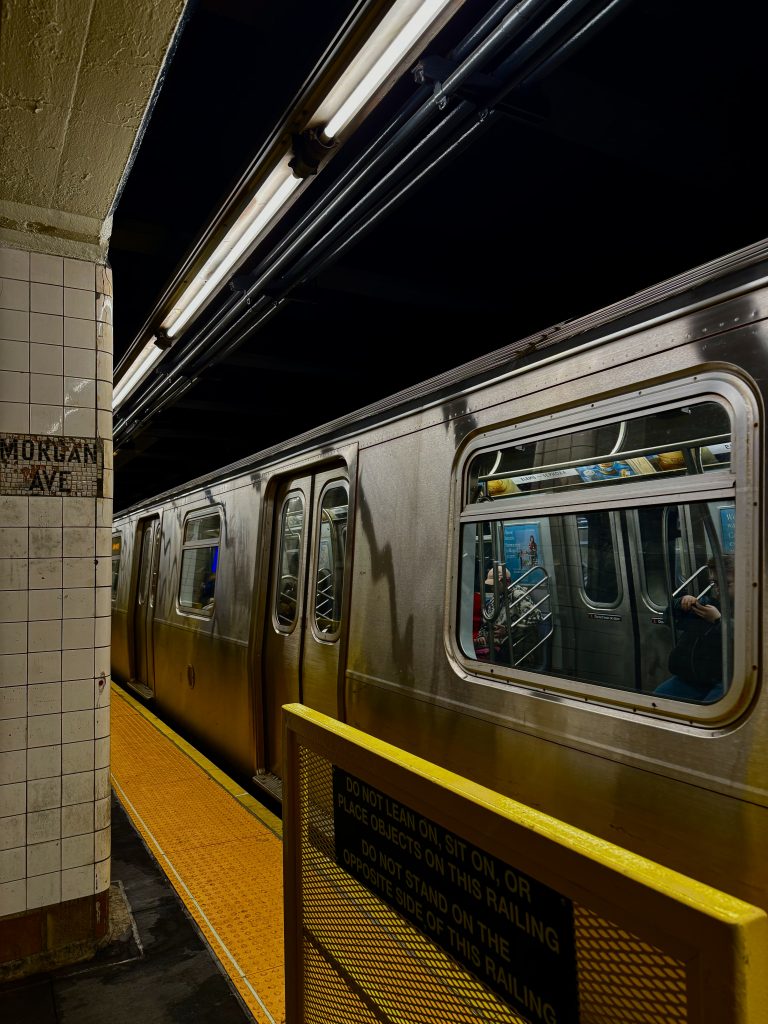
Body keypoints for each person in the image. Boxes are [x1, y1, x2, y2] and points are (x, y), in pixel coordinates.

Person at [654, 555, 733, 703]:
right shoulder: (707, 603)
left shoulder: (750, 610)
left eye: (726, 584)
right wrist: (681, 604)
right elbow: (668, 617)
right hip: (693, 678)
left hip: (725, 679)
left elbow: (746, 640)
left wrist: (719, 621)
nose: (718, 589)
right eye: (714, 583)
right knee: (657, 701)